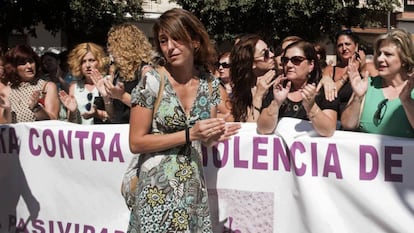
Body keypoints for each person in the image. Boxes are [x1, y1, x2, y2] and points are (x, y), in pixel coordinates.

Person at [128, 8, 240, 232]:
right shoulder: (152, 81)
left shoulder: (209, 85)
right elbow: (136, 142)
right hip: (155, 191)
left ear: (195, 41)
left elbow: (205, 139)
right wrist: (191, 134)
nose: (170, 47)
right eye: (163, 40)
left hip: (191, 191)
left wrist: (213, 135)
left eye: (177, 38)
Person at [341, 28, 414, 138]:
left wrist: (406, 100)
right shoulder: (368, 84)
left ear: (404, 59)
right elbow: (348, 125)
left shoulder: (412, 88)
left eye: (388, 54)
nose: (380, 58)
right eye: (379, 53)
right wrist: (358, 97)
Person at [257, 40, 339, 137]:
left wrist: (311, 107)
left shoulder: (324, 89)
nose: (289, 65)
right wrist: (276, 103)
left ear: (311, 65)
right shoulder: (277, 88)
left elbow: (328, 131)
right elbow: (263, 129)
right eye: (285, 60)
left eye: (296, 60)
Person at [100, 22, 154, 124]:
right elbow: (112, 115)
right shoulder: (117, 73)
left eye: (112, 45)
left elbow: (149, 107)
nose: (109, 49)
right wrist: (106, 97)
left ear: (125, 46)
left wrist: (122, 96)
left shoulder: (144, 71)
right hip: (120, 134)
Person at [320, 29, 377, 120]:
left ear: (356, 46)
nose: (344, 48)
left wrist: (362, 68)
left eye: (347, 44)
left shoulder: (369, 68)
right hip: (335, 120)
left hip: (358, 121)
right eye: (340, 45)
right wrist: (346, 75)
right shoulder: (330, 70)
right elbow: (329, 94)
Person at [0, 45, 60, 123]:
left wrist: (36, 108)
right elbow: (3, 125)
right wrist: (7, 110)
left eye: (31, 61)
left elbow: (53, 120)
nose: (29, 66)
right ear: (14, 67)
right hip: (14, 135)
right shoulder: (6, 91)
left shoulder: (47, 87)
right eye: (23, 63)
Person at [58, 42, 111, 124]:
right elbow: (72, 122)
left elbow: (115, 117)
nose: (87, 65)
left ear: (99, 61)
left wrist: (98, 114)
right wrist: (73, 111)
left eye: (91, 60)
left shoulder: (108, 82)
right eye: (83, 61)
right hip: (81, 135)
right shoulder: (74, 86)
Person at [230, 34, 276, 122]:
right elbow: (249, 127)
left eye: (270, 49)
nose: (272, 54)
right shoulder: (243, 91)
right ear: (252, 63)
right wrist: (258, 95)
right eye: (265, 54)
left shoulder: (281, 83)